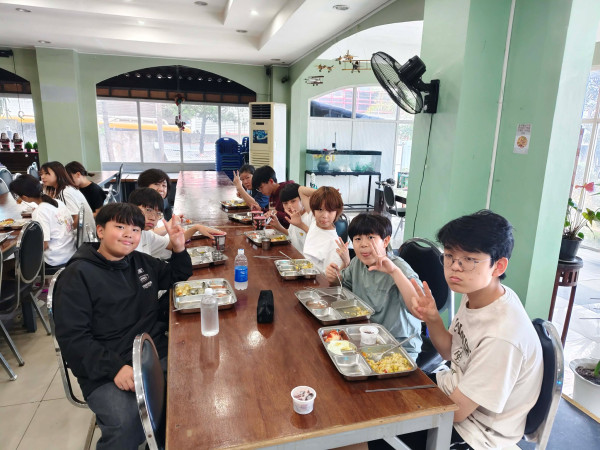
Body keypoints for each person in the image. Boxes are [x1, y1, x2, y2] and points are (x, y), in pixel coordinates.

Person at [394, 210, 543, 449]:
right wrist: (432, 318)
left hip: (475, 432)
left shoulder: (502, 336)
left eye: (469, 259)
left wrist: (398, 412)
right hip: (452, 391)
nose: (455, 267)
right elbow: (449, 352)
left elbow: (455, 413)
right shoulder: (478, 294)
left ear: (498, 266)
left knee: (363, 432)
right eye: (449, 256)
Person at [53, 203, 192, 449]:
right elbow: (73, 340)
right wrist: (115, 368)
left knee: (191, 392)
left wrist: (179, 248)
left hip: (153, 351)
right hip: (105, 367)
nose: (129, 234)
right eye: (120, 227)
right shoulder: (77, 275)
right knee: (127, 423)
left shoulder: (139, 261)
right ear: (100, 231)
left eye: (135, 229)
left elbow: (175, 276)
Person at [325, 213, 422, 358]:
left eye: (371, 237)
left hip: (397, 345)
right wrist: (335, 278)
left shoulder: (400, 269)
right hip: (365, 335)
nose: (363, 244)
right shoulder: (357, 263)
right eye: (358, 239)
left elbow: (419, 309)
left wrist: (395, 273)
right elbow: (345, 288)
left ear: (385, 241)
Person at [129, 188, 224, 259]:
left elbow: (172, 244)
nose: (153, 218)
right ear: (131, 208)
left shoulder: (146, 234)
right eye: (148, 210)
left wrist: (196, 228)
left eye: (158, 214)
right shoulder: (125, 239)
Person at [9, 174, 76, 270]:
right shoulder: (57, 202)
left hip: (54, 260)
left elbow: (44, 245)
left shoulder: (40, 212)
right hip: (69, 253)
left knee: (11, 266)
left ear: (25, 197)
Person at [40, 161, 95, 237]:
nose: (42, 177)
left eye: (46, 173)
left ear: (58, 174)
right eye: (41, 174)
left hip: (82, 237)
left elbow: (76, 218)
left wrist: (65, 232)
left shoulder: (64, 192)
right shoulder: (67, 188)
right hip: (88, 234)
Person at [302, 186, 343, 272]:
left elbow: (332, 277)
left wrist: (329, 195)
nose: (324, 216)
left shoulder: (334, 244)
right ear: (314, 210)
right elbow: (301, 190)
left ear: (337, 212)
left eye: (330, 210)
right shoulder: (314, 220)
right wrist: (323, 193)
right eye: (320, 209)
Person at [267, 183, 313, 253]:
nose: (289, 206)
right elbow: (291, 235)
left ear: (302, 200)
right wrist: (277, 225)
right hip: (296, 256)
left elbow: (317, 238)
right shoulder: (294, 215)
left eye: (293, 201)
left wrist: (300, 225)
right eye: (285, 203)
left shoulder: (310, 216)